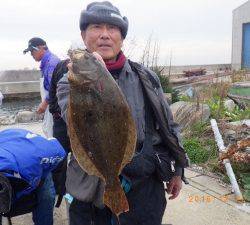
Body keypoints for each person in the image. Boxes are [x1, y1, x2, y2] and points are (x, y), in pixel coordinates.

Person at [57, 1, 189, 225]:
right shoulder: (69, 83)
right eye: (96, 27)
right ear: (83, 34)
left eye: (112, 28)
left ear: (122, 36)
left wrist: (178, 169)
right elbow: (73, 118)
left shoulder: (146, 77)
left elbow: (168, 126)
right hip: (90, 192)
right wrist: (90, 78)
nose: (105, 35)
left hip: (144, 188)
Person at [0, 128, 66, 225]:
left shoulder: (39, 157)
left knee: (46, 197)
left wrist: (43, 178)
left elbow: (59, 150)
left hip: (30, 157)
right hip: (7, 145)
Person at [23, 37, 60, 138]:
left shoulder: (51, 63)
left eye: (32, 51)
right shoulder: (45, 63)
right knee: (49, 131)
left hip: (55, 106)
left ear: (41, 48)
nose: (31, 54)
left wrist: (44, 103)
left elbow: (56, 86)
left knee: (54, 134)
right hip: (51, 104)